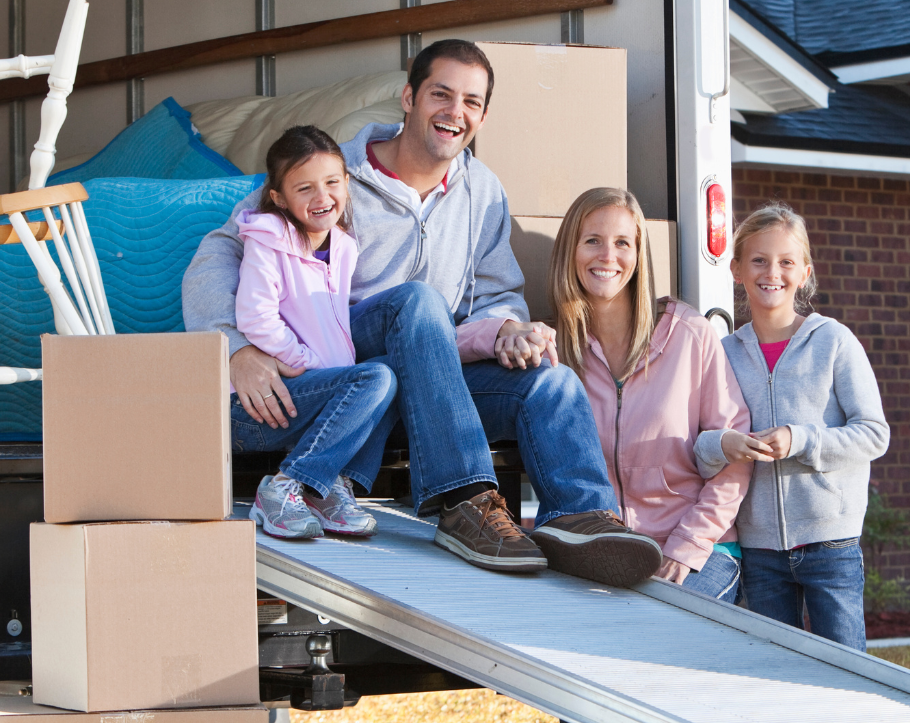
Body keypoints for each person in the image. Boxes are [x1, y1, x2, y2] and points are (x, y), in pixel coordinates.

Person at [183, 39, 661, 586]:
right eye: (441, 94)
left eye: (472, 102)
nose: (455, 112)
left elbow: (497, 292)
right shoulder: (332, 174)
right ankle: (463, 499)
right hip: (346, 363)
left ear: (482, 116)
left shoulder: (483, 191)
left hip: (436, 381)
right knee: (418, 301)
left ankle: (579, 517)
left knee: (551, 382)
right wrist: (237, 349)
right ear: (408, 98)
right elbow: (218, 254)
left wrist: (509, 327)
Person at [546, 187, 763, 723]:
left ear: (641, 256)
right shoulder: (557, 346)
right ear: (570, 251)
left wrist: (689, 547)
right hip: (598, 551)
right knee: (579, 669)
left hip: (695, 549)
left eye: (623, 243)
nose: (608, 256)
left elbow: (732, 455)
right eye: (593, 240)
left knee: (663, 669)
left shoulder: (689, 336)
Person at [695, 201, 910, 723]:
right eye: (759, 260)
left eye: (786, 261)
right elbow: (696, 443)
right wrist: (724, 444)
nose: (773, 272)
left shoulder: (833, 342)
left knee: (848, 695)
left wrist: (801, 440)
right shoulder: (722, 352)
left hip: (829, 547)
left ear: (805, 271)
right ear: (737, 270)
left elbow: (874, 433)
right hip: (759, 553)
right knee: (777, 701)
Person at [231, 125, 391, 540]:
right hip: (263, 403)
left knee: (395, 371)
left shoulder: (344, 246)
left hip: (314, 395)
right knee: (375, 377)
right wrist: (306, 362)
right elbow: (256, 317)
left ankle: (328, 488)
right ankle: (283, 487)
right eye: (305, 188)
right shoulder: (268, 239)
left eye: (332, 183)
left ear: (347, 183)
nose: (322, 197)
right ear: (279, 197)